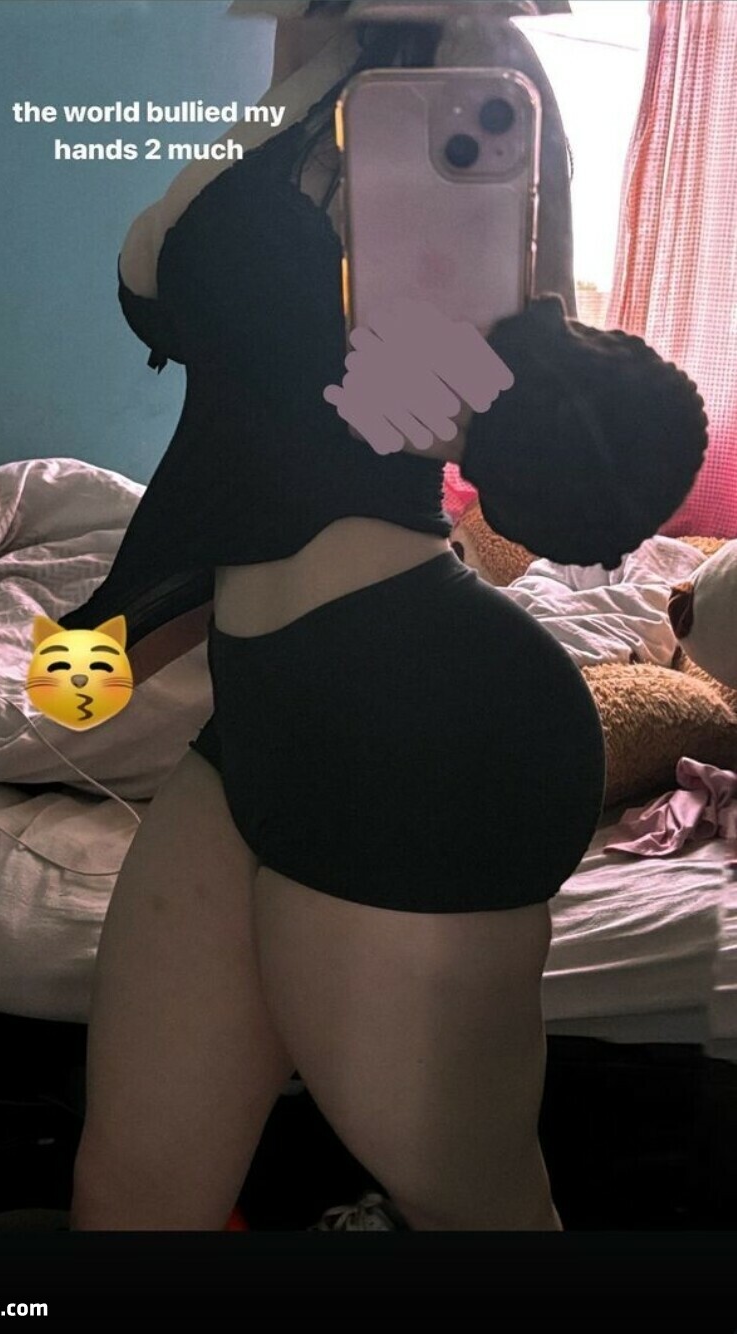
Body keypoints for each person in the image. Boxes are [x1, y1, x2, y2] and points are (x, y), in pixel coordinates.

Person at [65, 1, 707, 1231]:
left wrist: (479, 362)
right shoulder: (320, 69)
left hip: (424, 714)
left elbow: (498, 432)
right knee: (132, 1191)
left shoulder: (482, 75)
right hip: (268, 706)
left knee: (475, 1206)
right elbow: (173, 302)